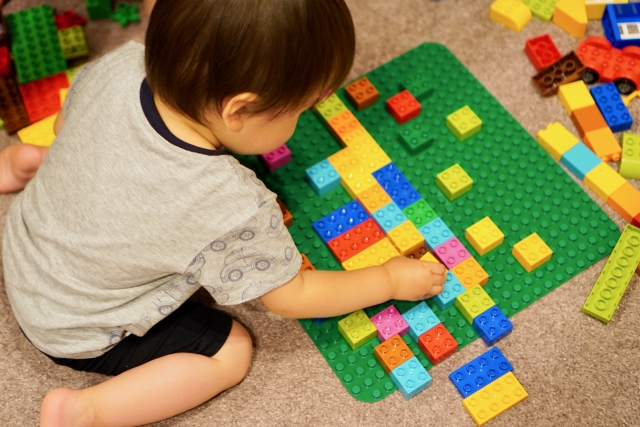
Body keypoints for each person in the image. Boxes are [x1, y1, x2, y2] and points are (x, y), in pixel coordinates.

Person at [1, 0, 446, 425]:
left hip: (20, 241)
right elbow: (292, 296)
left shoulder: (119, 64)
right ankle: (89, 411)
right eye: (301, 108)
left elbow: (65, 129)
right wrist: (388, 279)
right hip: (74, 325)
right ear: (239, 110)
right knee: (230, 352)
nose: (304, 118)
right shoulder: (229, 205)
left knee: (68, 154)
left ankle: (21, 164)